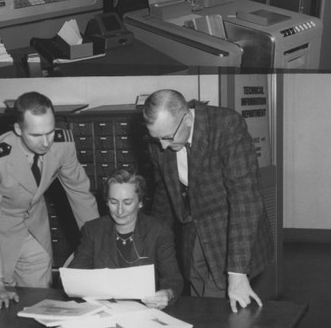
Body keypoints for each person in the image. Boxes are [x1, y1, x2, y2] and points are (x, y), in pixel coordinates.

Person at [143, 89, 273, 312]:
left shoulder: (227, 126)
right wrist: (150, 246)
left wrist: (237, 273)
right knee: (198, 301)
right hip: (193, 231)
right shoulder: (161, 140)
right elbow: (164, 196)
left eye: (167, 138)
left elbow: (245, 199)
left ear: (188, 119)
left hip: (231, 229)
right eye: (156, 139)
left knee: (222, 306)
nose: (162, 146)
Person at [0, 91, 99, 309]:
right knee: (3, 308)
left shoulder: (62, 144)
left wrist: (98, 243)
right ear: (18, 129)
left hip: (34, 229)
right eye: (37, 135)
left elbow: (80, 193)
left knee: (40, 303)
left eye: (50, 132)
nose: (46, 142)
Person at [69, 168, 183, 310]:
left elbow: (173, 279)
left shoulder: (158, 231)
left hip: (144, 311)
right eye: (113, 202)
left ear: (140, 202)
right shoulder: (93, 230)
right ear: (106, 202)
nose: (120, 210)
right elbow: (75, 274)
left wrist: (167, 293)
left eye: (127, 202)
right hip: (103, 310)